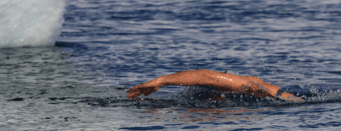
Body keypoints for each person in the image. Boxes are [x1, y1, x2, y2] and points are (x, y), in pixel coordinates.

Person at [126, 69, 303, 101]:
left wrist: (161, 81)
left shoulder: (259, 89)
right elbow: (210, 78)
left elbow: (209, 78)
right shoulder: (259, 87)